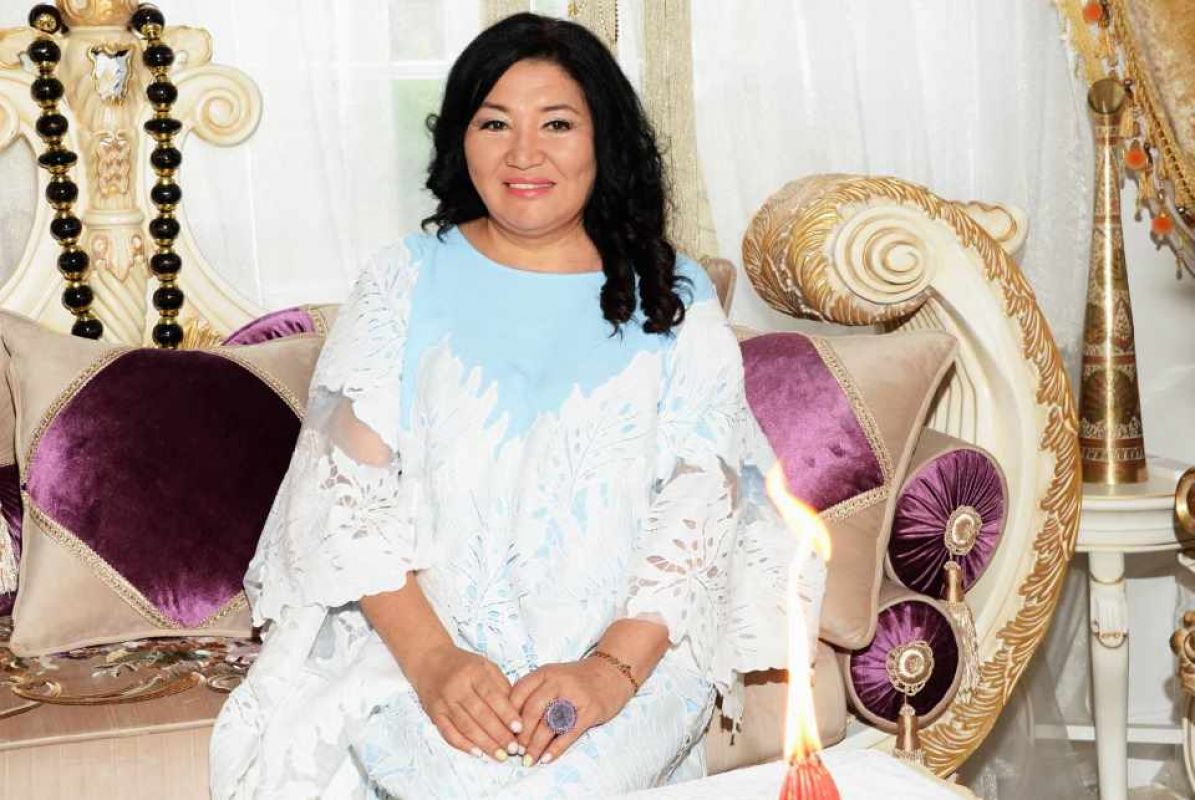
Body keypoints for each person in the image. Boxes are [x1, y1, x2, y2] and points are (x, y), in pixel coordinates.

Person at [210, 12, 823, 799]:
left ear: (604, 139)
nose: (523, 153)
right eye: (494, 122)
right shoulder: (402, 280)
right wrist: (435, 662)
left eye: (557, 123)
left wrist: (607, 672)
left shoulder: (674, 295)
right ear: (459, 140)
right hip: (415, 654)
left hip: (632, 664)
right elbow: (344, 500)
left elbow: (700, 506)